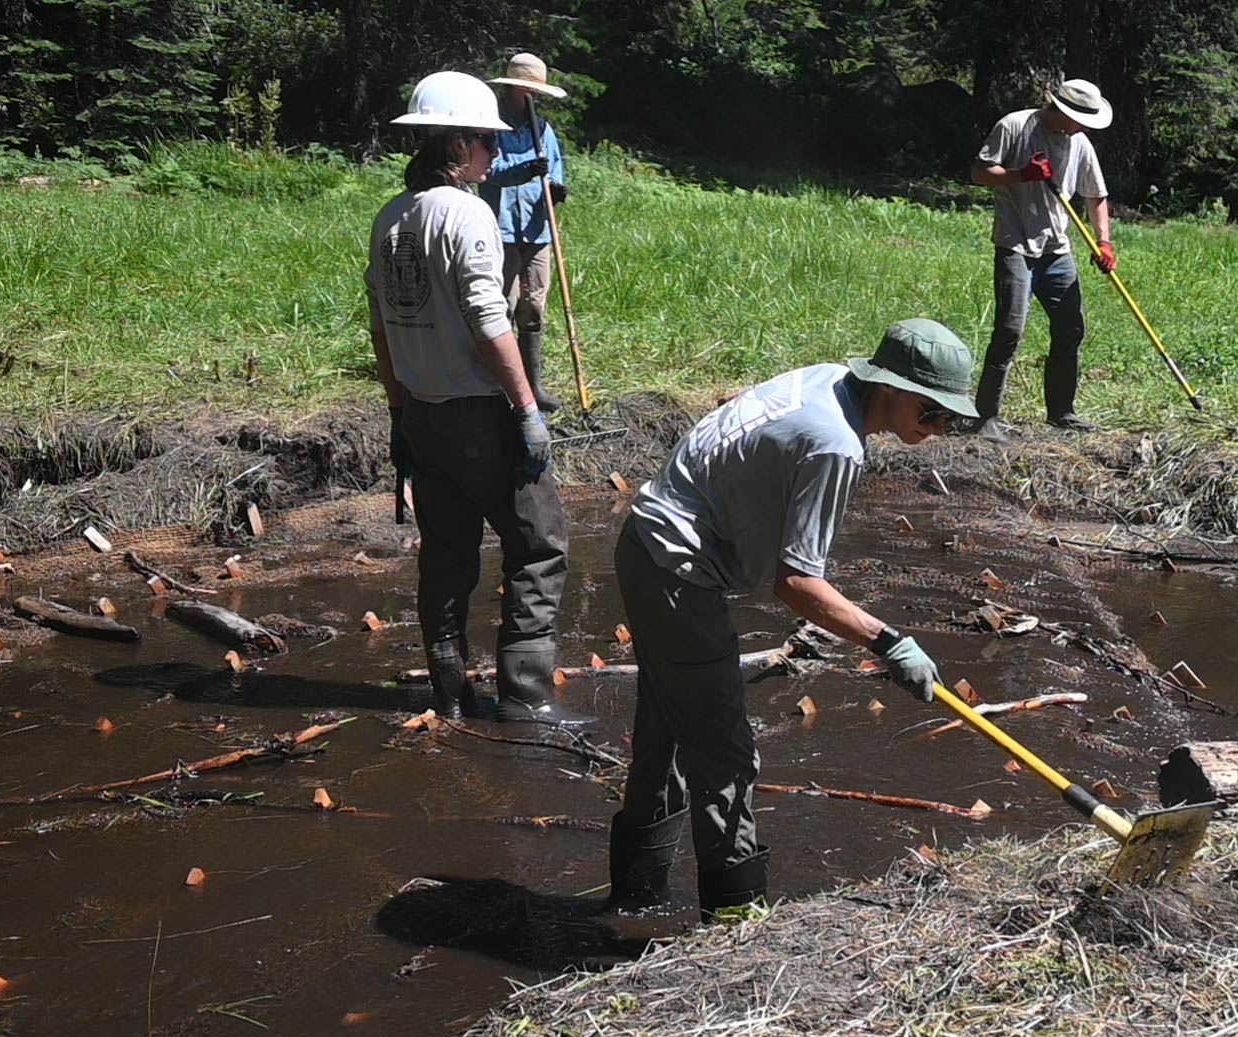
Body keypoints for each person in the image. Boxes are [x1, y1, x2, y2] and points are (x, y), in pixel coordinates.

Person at [602, 318, 981, 913]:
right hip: (677, 572)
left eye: (947, 418)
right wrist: (889, 642)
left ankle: (633, 902)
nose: (937, 429)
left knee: (666, 734)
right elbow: (797, 584)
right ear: (891, 388)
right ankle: (734, 922)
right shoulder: (836, 442)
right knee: (725, 755)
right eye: (931, 412)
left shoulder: (827, 381)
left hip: (645, 548)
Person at [366, 70, 569, 725]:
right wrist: (527, 410)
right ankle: (525, 698)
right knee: (538, 547)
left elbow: (379, 328)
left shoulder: (391, 217)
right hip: (480, 415)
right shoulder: (466, 213)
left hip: (423, 416)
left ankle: (448, 693)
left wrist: (398, 414)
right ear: (456, 143)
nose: (492, 152)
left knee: (447, 559)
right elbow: (490, 321)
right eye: (485, 140)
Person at [965, 77, 1116, 432]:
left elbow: (1096, 195)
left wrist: (1104, 241)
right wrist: (1022, 175)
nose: (1082, 127)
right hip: (1015, 244)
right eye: (1080, 119)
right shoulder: (1015, 126)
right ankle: (985, 417)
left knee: (1071, 328)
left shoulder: (1079, 142)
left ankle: (1062, 412)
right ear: (1062, 110)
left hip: (1057, 249)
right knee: (1009, 330)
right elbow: (979, 173)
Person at [479, 52, 573, 410]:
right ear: (513, 91)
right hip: (500, 229)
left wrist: (556, 190)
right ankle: (499, 384)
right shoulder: (491, 127)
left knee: (533, 306)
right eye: (526, 91)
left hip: (536, 229)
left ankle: (533, 385)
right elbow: (488, 172)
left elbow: (555, 171)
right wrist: (524, 170)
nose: (533, 98)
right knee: (501, 304)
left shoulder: (544, 129)